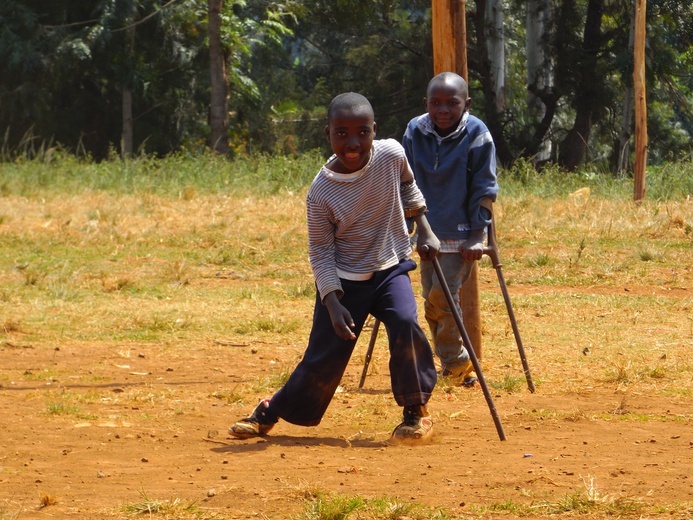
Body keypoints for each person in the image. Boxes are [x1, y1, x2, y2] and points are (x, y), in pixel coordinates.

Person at [229, 92, 441, 444]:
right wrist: (332, 301)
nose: (353, 143)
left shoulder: (391, 154)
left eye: (362, 132)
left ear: (375, 131)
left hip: (390, 267)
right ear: (328, 134)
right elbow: (321, 251)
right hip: (345, 282)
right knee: (324, 358)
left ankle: (416, 411)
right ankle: (271, 409)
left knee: (406, 324)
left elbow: (407, 186)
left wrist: (425, 228)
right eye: (342, 133)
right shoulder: (321, 192)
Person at [402, 72, 499, 387]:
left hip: (461, 233)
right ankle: (453, 368)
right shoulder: (415, 130)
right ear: (425, 103)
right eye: (435, 103)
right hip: (426, 229)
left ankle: (457, 363)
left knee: (444, 297)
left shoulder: (477, 133)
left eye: (451, 103)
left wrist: (476, 235)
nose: (443, 109)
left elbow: (484, 188)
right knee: (431, 301)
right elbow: (404, 181)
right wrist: (404, 227)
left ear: (466, 104)